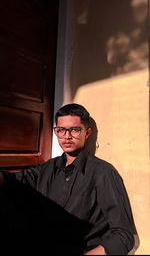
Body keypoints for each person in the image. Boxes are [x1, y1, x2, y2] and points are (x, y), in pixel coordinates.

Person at [0, 103, 136, 255]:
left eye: (75, 129)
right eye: (61, 130)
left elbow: (123, 235)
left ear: (87, 133)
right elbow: (12, 182)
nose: (67, 136)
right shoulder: (47, 168)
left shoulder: (103, 172)